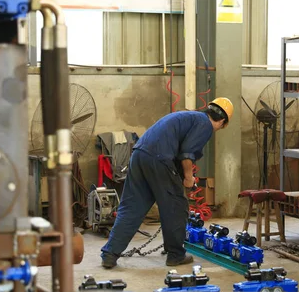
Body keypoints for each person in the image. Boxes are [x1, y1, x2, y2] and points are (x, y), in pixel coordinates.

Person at [100, 97, 234, 268]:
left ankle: (110, 254)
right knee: (176, 207)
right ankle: (175, 255)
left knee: (131, 207)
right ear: (222, 121)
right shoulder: (205, 124)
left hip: (140, 154)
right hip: (159, 158)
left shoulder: (190, 117)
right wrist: (188, 178)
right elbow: (186, 154)